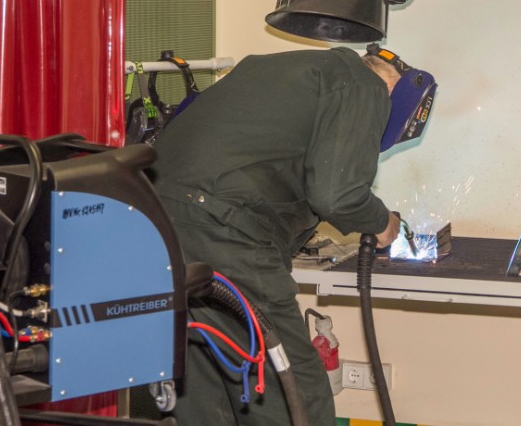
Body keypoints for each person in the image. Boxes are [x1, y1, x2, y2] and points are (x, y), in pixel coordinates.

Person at [149, 44, 436, 425]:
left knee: (203, 382)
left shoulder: (281, 70)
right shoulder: (363, 84)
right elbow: (337, 195)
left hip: (154, 225)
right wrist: (383, 223)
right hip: (224, 234)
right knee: (294, 387)